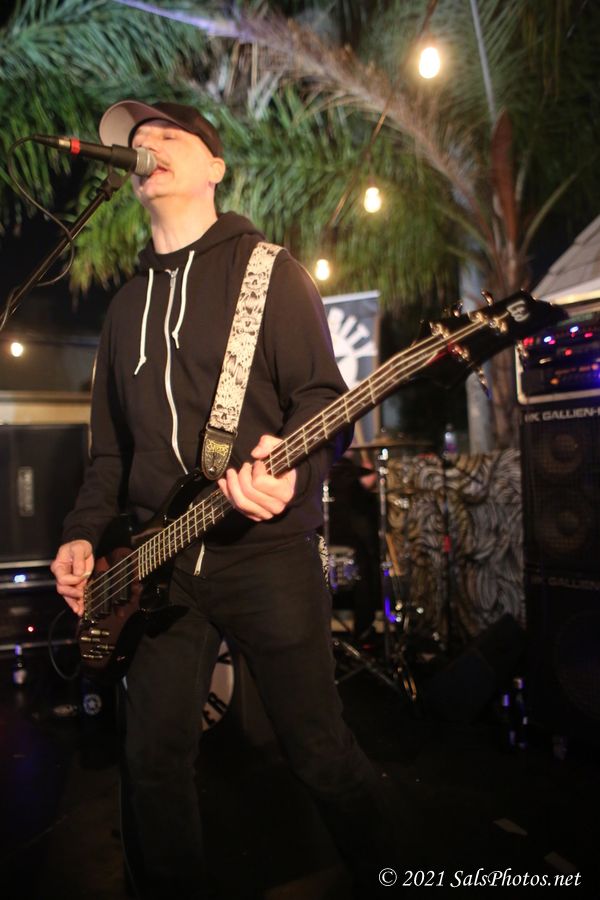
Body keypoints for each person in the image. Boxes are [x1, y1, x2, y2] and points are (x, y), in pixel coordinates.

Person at [51, 99, 392, 899]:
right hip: (160, 566)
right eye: (137, 142)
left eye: (166, 136)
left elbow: (322, 402)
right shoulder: (124, 309)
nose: (146, 147)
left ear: (214, 166)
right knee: (151, 760)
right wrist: (82, 533)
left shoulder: (270, 274)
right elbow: (109, 453)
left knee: (318, 751)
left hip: (264, 555)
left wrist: (291, 474)